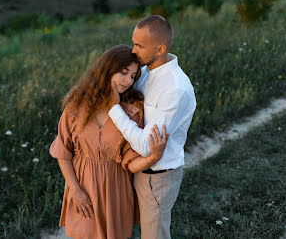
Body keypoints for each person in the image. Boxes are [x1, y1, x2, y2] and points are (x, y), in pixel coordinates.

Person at [49, 45, 169, 239]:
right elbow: (63, 152)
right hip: (82, 187)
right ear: (106, 69)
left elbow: (130, 164)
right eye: (123, 72)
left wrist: (153, 156)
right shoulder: (76, 103)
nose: (128, 81)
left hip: (116, 191)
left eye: (133, 76)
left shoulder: (132, 111)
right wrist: (76, 190)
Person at [108, 15, 197, 239]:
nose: (133, 50)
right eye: (133, 42)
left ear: (160, 48)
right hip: (138, 169)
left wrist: (113, 108)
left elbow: (148, 146)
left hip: (157, 177)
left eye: (139, 45)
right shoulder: (146, 72)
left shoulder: (174, 89)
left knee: (153, 235)